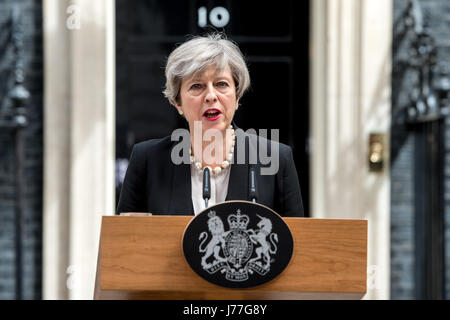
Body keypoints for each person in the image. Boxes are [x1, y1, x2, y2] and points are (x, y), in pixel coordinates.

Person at [116, 33, 304, 217]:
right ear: (177, 102)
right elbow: (126, 241)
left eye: (221, 84)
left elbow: (297, 243)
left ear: (237, 97)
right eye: (196, 86)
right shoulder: (147, 160)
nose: (211, 96)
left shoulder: (277, 159)